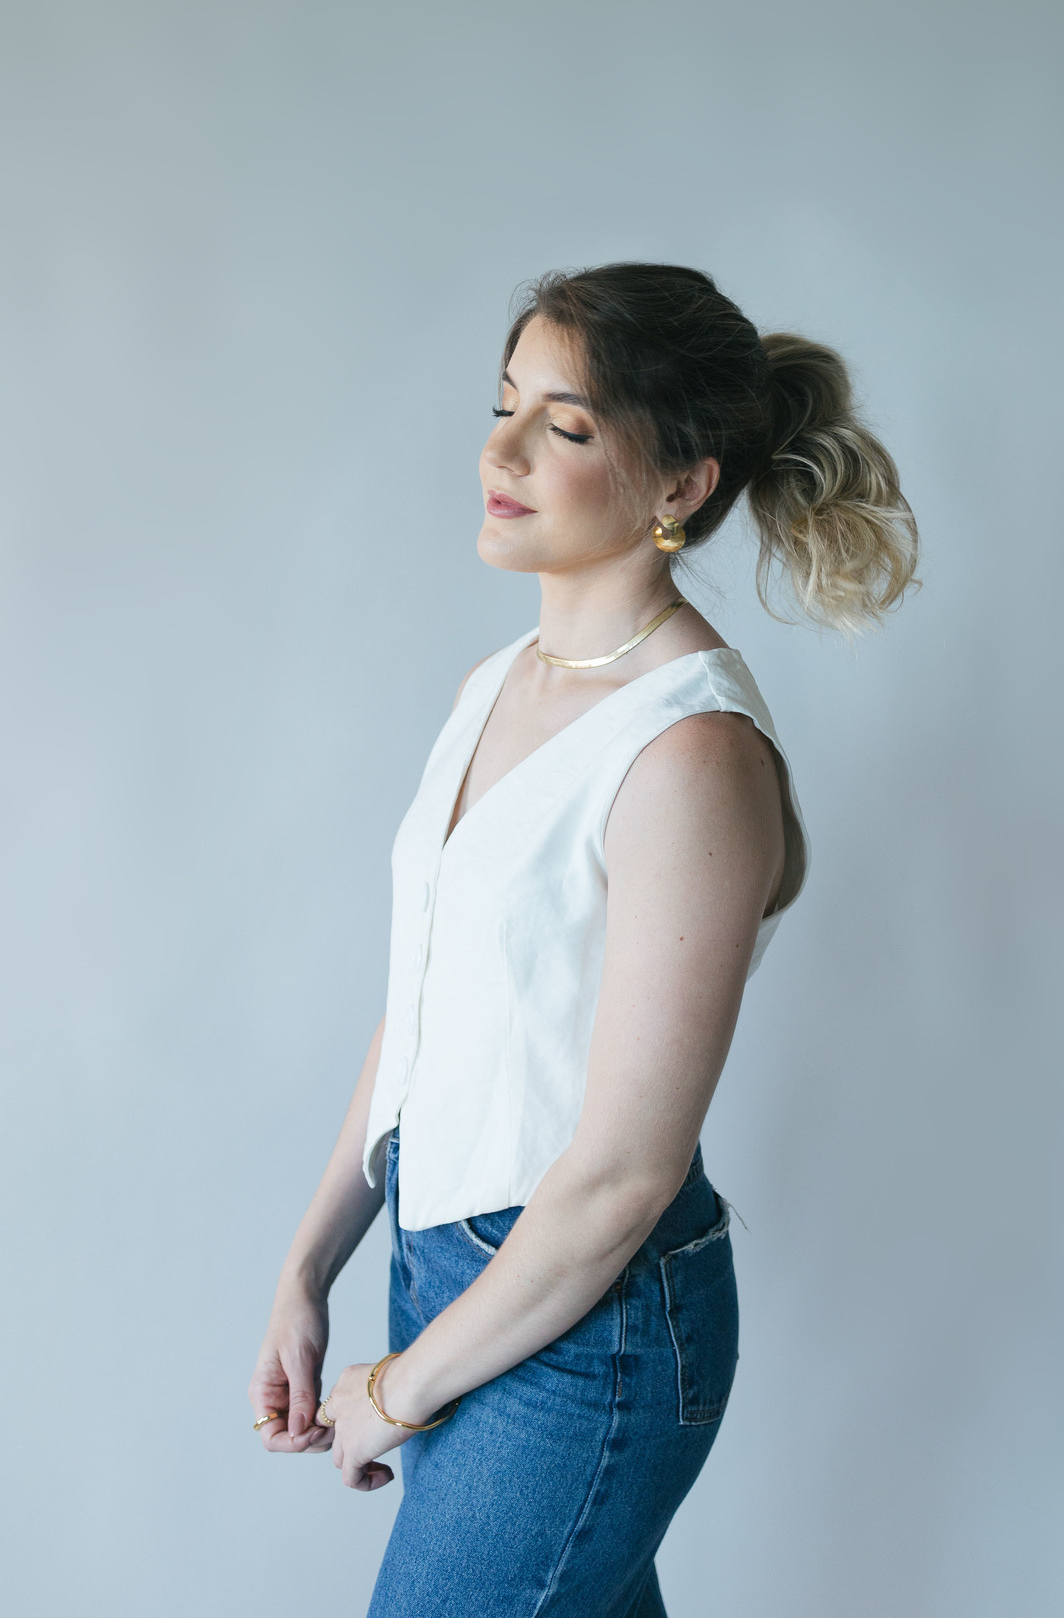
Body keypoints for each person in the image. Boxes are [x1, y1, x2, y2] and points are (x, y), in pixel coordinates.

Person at [249, 262, 918, 1616]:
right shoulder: (494, 684)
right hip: (451, 1268)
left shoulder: (691, 753)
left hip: (589, 1330)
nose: (500, 452)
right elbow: (424, 1007)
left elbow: (622, 1175)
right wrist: (311, 1262)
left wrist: (403, 1388)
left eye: (563, 425)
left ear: (681, 484)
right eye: (503, 406)